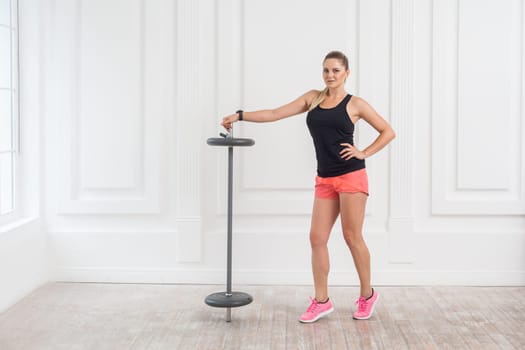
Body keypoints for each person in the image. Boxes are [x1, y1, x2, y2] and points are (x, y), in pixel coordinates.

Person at [221, 50, 395, 322]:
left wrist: (364, 152)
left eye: (336, 70)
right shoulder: (313, 98)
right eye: (326, 70)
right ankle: (322, 301)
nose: (330, 75)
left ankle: (367, 295)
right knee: (317, 238)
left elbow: (388, 131)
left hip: (351, 176)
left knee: (352, 237)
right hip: (324, 178)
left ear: (346, 73)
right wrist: (240, 115)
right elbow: (275, 113)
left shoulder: (356, 104)